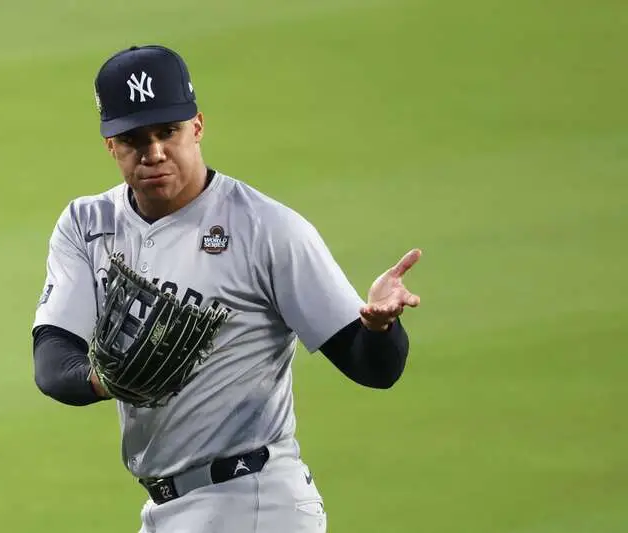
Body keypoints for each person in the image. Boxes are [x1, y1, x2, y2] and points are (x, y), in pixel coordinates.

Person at [31, 44, 422, 533]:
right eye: (134, 139)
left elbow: (373, 367)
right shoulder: (86, 224)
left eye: (167, 132)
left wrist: (382, 326)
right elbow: (52, 360)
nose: (154, 152)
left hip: (255, 501)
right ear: (111, 144)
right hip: (164, 512)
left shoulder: (267, 229)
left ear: (196, 127)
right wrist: (106, 381)